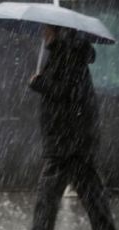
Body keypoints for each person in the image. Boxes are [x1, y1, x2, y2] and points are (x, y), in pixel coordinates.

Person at [29, 25, 116, 230]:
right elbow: (70, 90)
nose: (43, 33)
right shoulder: (71, 51)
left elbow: (66, 91)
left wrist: (39, 83)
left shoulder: (66, 53)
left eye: (46, 30)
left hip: (66, 138)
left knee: (48, 196)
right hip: (75, 137)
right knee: (91, 194)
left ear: (55, 31)